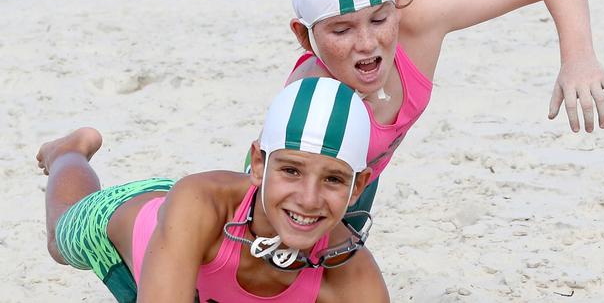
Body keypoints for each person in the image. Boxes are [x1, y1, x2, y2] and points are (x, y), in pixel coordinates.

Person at [281, 0, 604, 223]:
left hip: (362, 180)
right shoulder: (313, 99)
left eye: (380, 19)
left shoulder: (419, 18)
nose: (367, 43)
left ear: (397, 3)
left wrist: (577, 56)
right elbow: (274, 201)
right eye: (342, 30)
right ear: (304, 36)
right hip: (306, 197)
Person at [37, 77, 390, 303]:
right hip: (133, 227)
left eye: (333, 179)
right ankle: (67, 152)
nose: (309, 199)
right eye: (291, 170)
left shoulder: (355, 279)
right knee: (60, 239)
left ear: (358, 185)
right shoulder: (199, 202)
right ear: (258, 164)